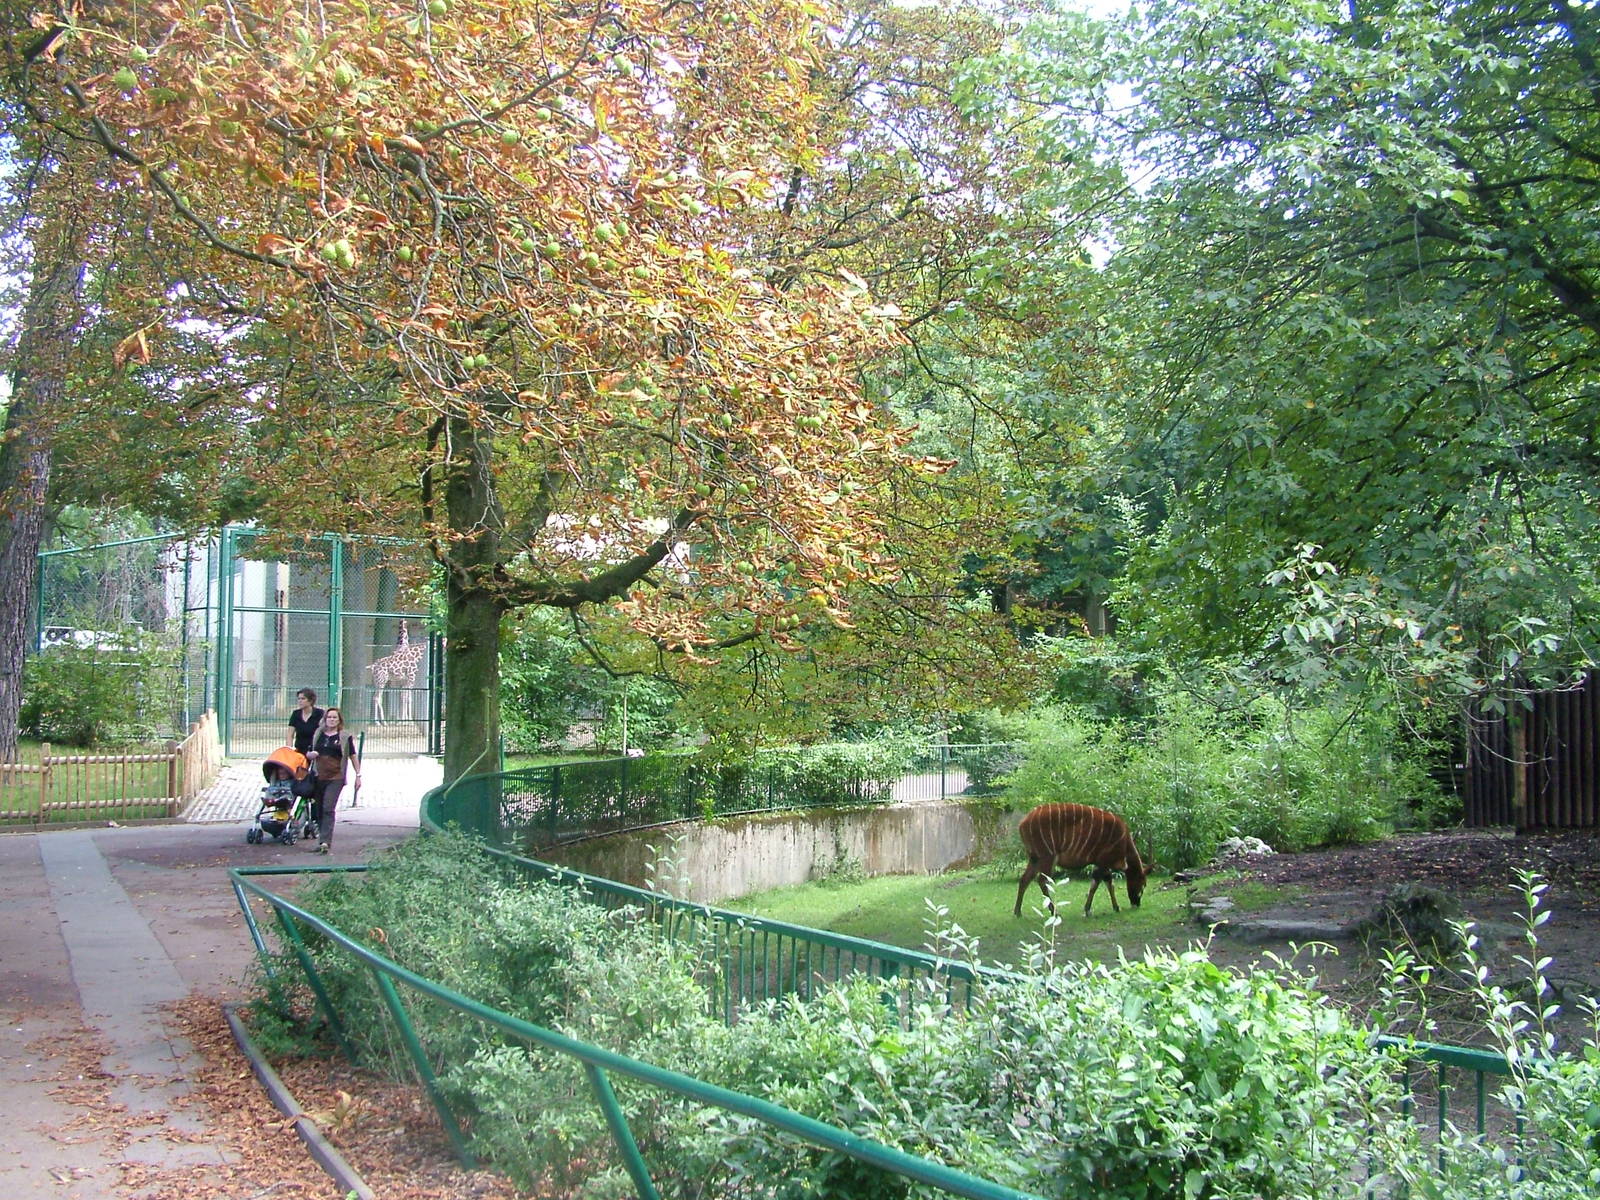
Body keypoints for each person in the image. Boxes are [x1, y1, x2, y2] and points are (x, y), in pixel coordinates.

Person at [308, 706, 360, 855]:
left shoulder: (344, 736)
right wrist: (311, 755)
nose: (331, 720)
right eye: (329, 717)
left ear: (339, 720)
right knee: (318, 809)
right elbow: (310, 751)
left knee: (328, 807)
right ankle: (321, 839)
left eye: (334, 717)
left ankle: (325, 841)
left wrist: (358, 774)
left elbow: (352, 755)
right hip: (319, 776)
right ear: (325, 719)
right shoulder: (318, 734)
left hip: (336, 777)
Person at [288, 688, 324, 757]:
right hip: (300, 751)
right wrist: (289, 750)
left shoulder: (320, 713)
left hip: (316, 751)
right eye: (299, 699)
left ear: (310, 701)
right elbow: (290, 735)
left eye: (303, 699)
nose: (300, 701)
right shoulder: (296, 714)